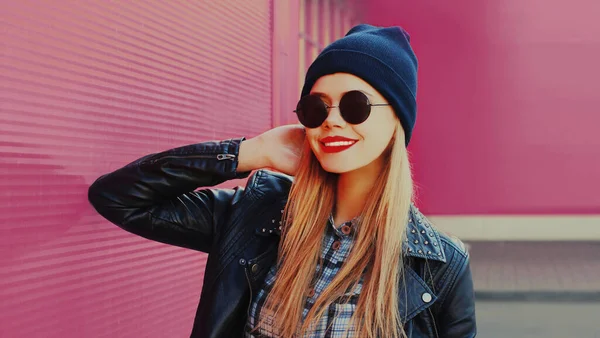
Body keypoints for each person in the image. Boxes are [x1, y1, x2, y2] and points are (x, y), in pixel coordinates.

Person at [88, 24, 476, 338]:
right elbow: (117, 197)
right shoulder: (254, 216)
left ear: (398, 122)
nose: (332, 120)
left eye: (356, 105)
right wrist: (248, 153)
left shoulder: (439, 265)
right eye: (316, 106)